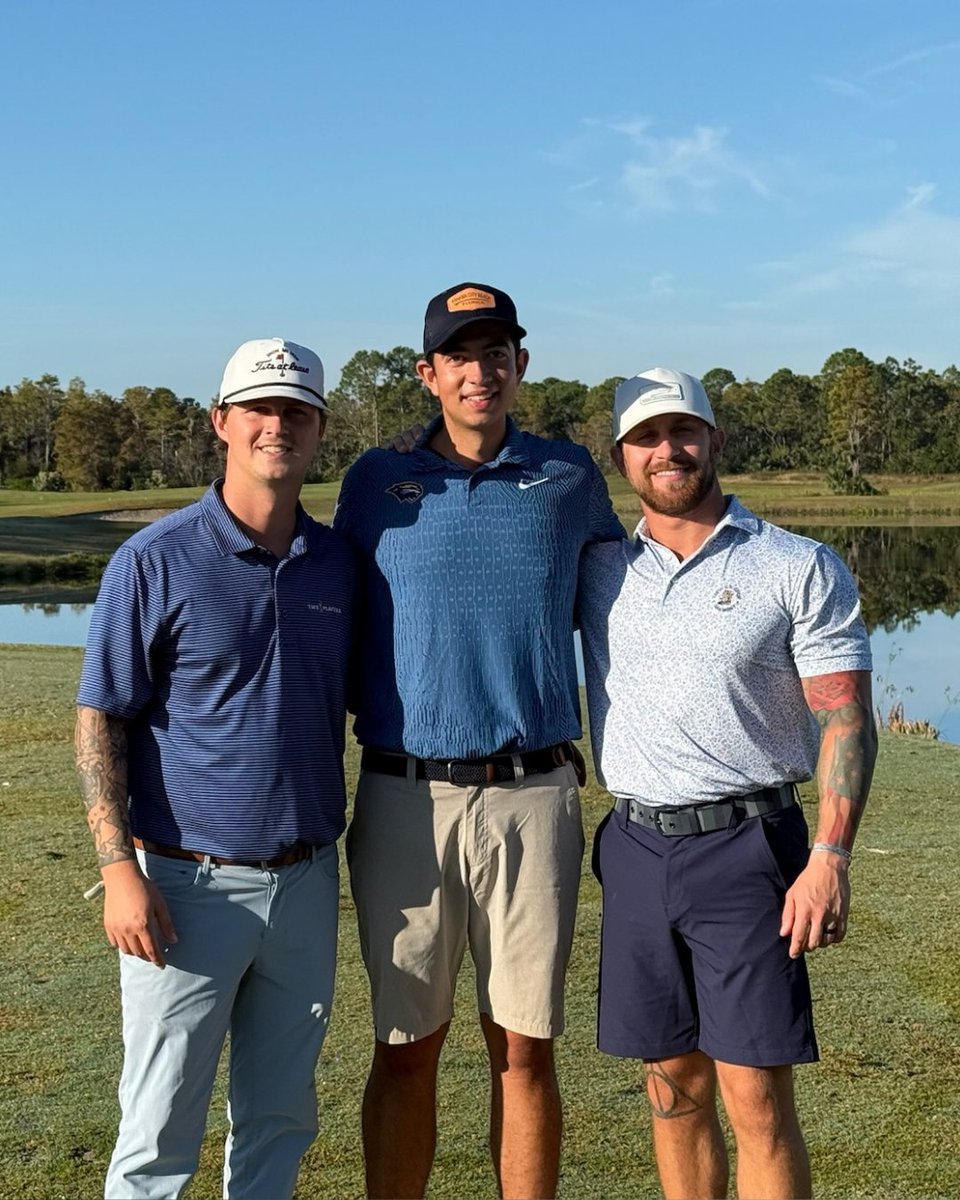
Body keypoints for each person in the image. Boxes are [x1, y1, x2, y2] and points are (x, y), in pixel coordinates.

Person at [333, 282, 624, 1200]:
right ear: (428, 374)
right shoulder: (375, 482)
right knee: (406, 1047)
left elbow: (633, 604)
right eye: (460, 355)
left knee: (525, 1049)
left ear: (520, 367)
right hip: (404, 797)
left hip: (536, 792)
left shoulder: (568, 475)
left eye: (496, 352)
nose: (480, 371)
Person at [577, 367, 877, 1200]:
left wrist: (830, 856)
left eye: (684, 433)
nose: (667, 450)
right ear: (621, 458)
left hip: (749, 849)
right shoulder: (601, 565)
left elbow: (847, 719)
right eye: (646, 438)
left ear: (715, 441)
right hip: (635, 848)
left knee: (757, 1097)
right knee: (671, 1089)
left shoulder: (797, 564)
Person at [75, 338, 356, 1199]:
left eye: (297, 411)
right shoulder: (154, 559)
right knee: (159, 1127)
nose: (279, 425)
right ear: (222, 423)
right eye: (261, 410)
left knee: (279, 1120)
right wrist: (117, 867)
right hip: (185, 885)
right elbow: (100, 718)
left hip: (307, 879)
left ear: (316, 431)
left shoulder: (338, 563)